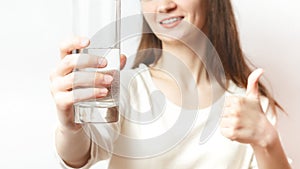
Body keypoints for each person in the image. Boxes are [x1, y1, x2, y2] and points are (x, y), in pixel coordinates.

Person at [50, 0, 292, 168]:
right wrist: (70, 126)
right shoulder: (125, 88)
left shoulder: (249, 105)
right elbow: (79, 155)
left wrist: (266, 140)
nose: (164, 5)